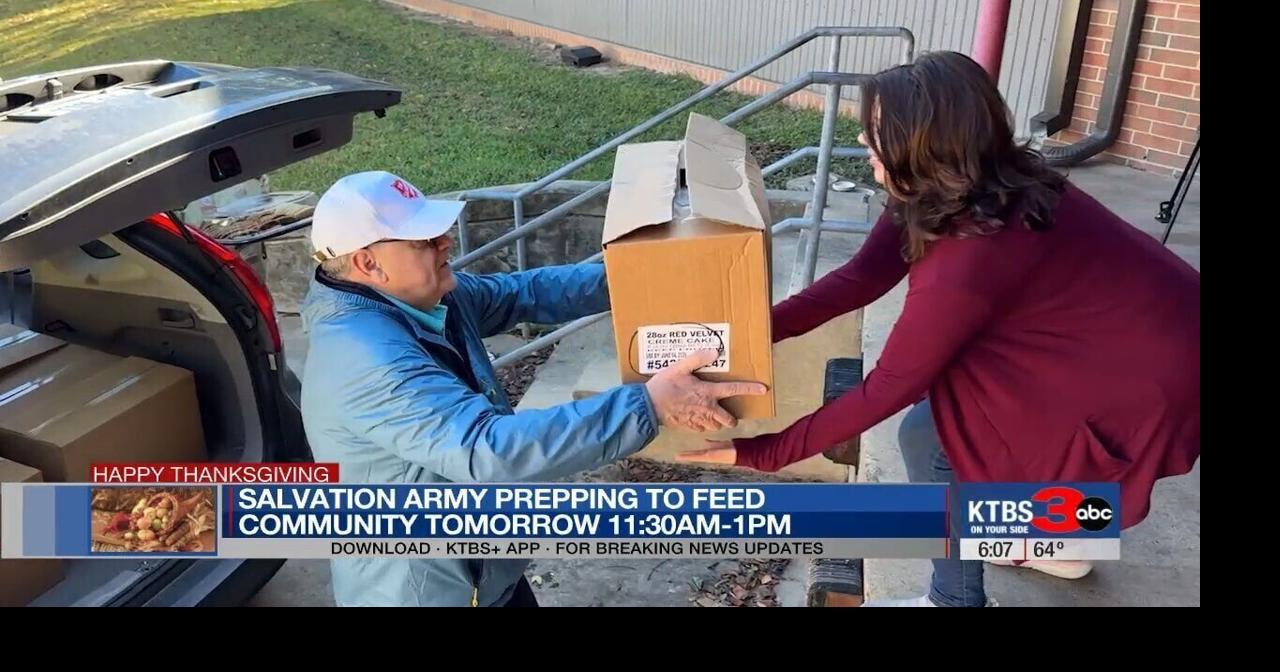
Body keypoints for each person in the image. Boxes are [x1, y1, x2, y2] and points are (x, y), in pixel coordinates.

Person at [678, 51, 1200, 606]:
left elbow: (887, 388)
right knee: (941, 430)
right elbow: (860, 278)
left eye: (876, 130)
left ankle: (957, 598)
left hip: (1147, 373)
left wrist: (761, 452)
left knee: (934, 443)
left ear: (921, 143)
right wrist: (742, 337)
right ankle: (1056, 539)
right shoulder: (959, 187)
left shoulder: (969, 257)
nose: (862, 139)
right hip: (1125, 338)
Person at [300, 170, 766, 607]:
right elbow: (489, 450)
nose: (446, 242)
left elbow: (522, 293)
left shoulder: (426, 298)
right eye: (425, 240)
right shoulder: (363, 357)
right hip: (427, 589)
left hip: (482, 567)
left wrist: (642, 273)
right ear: (368, 262)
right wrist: (647, 404)